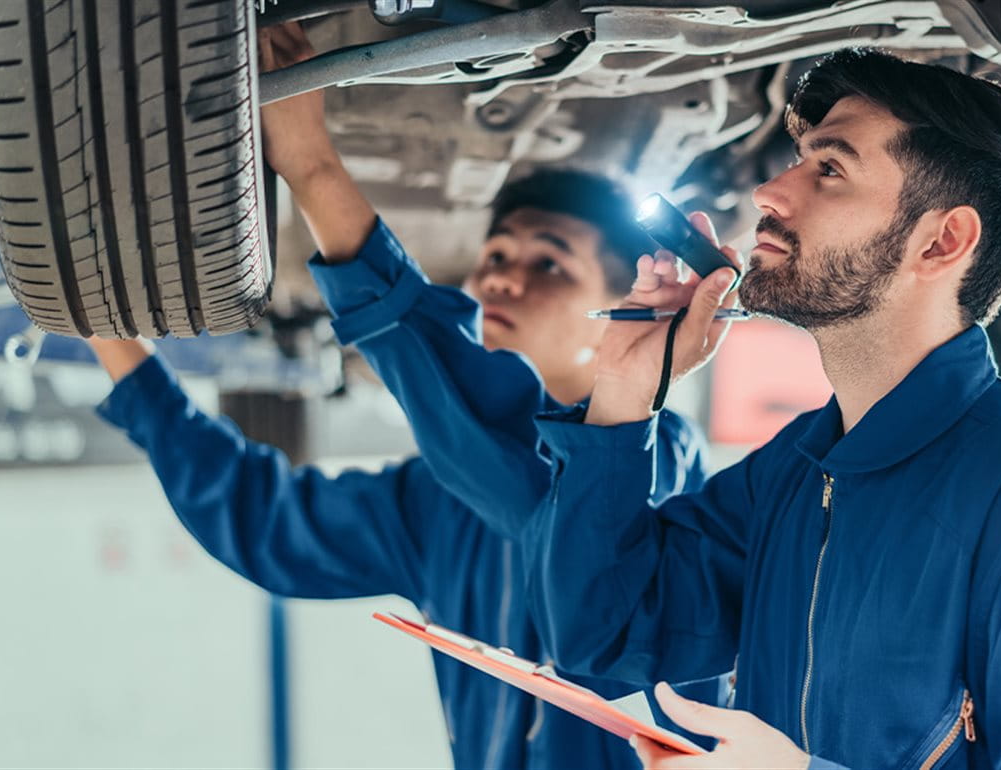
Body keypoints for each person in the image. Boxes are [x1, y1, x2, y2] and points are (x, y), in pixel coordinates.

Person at [523, 48, 1001, 769]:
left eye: (829, 169)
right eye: (799, 159)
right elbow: (608, 635)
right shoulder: (796, 473)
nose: (770, 193)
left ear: (942, 241)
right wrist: (624, 398)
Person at [84, 23, 718, 769]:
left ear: (629, 305)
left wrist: (316, 168)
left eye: (550, 263)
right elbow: (264, 525)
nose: (502, 279)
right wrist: (106, 331)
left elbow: (533, 482)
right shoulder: (436, 498)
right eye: (497, 257)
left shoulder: (661, 465)